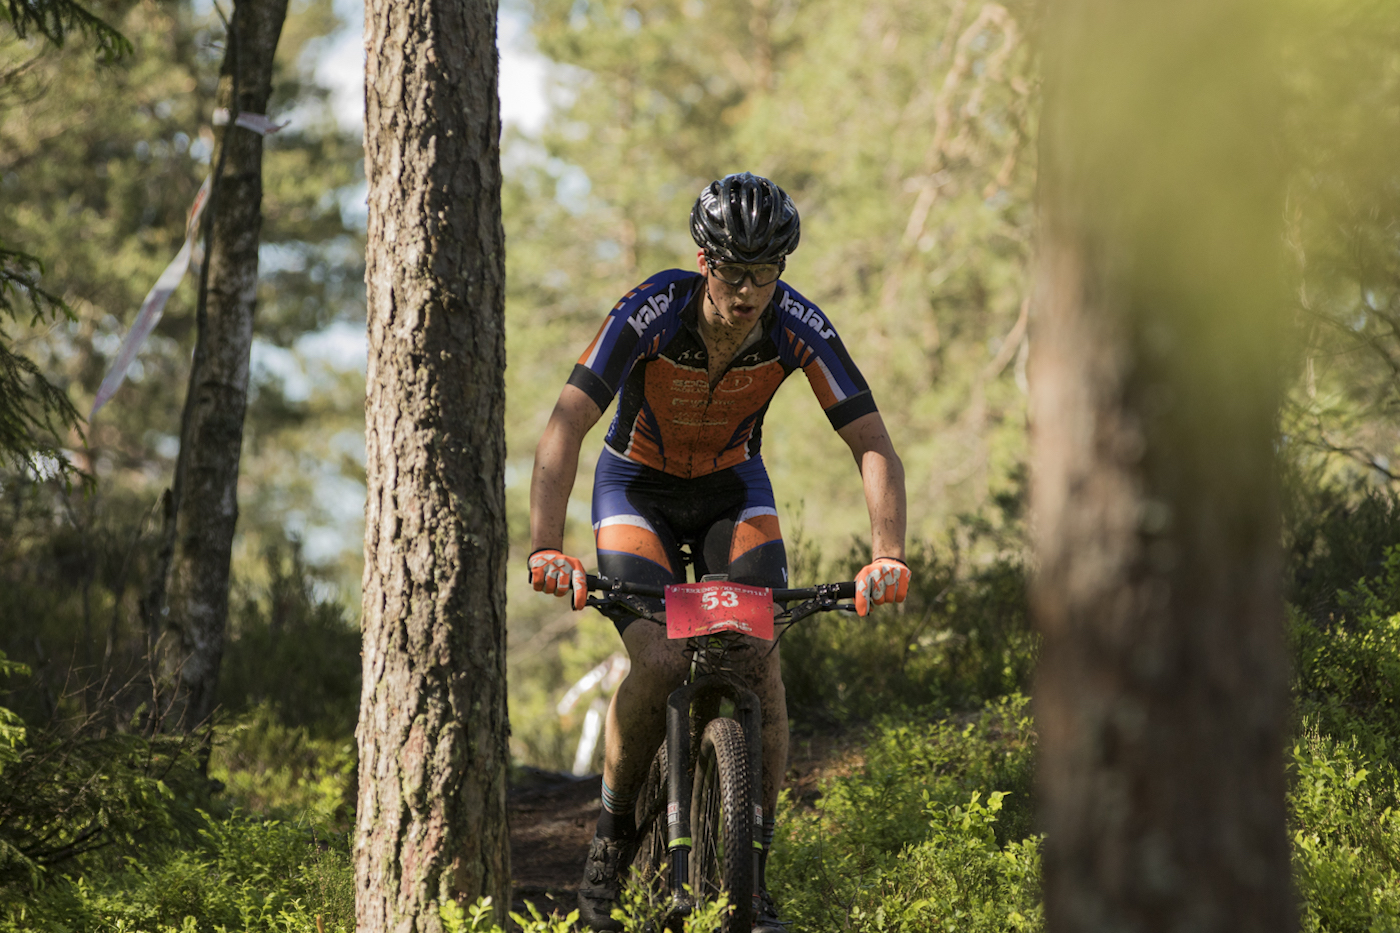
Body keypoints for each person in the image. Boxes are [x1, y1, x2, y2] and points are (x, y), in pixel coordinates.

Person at [528, 172, 910, 932]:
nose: (748, 293)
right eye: (734, 274)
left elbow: (871, 440)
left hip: (733, 491)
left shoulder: (796, 323)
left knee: (758, 661)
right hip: (635, 487)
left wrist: (888, 553)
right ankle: (611, 840)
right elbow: (566, 422)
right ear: (704, 262)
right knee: (662, 657)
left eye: (765, 275)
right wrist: (548, 546)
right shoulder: (653, 308)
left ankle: (752, 875)